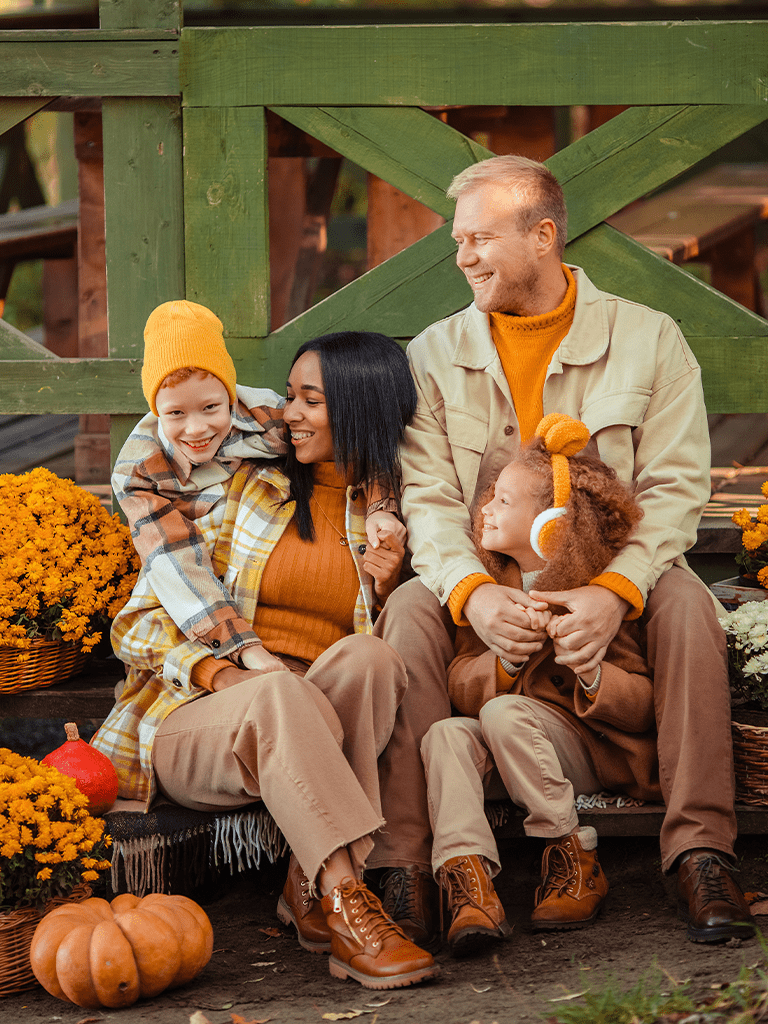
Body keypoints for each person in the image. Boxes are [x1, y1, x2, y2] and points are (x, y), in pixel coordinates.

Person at [370, 154, 753, 947]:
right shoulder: (434, 354)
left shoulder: (649, 340)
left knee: (685, 601)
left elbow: (677, 490)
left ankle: (701, 849)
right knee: (409, 605)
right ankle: (403, 864)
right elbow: (431, 501)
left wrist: (614, 590)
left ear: (543, 236)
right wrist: (474, 593)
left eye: (480, 239)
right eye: (458, 241)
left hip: (610, 579)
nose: (463, 257)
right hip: (489, 585)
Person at [93, 330, 440, 990]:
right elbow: (136, 626)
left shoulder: (395, 515)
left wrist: (390, 583)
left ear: (359, 407)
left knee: (370, 658)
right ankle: (345, 901)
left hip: (312, 731)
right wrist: (225, 671)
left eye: (312, 400)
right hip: (198, 723)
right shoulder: (242, 488)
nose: (290, 414)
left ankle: (307, 885)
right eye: (290, 396)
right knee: (279, 694)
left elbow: (385, 669)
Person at [421, 413, 658, 955]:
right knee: (445, 735)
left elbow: (644, 707)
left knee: (506, 715)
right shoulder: (489, 591)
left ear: (552, 522)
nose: (485, 508)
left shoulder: (593, 598)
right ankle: (468, 881)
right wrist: (501, 662)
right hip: (511, 754)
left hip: (583, 755)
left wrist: (593, 671)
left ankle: (571, 852)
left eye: (503, 501)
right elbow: (462, 683)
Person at [112, 300, 404, 673]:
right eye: (175, 413)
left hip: (326, 675)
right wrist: (241, 657)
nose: (197, 429)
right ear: (157, 411)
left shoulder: (265, 422)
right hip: (236, 665)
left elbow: (366, 442)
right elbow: (175, 574)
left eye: (211, 408)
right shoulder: (148, 476)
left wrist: (381, 507)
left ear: (231, 398)